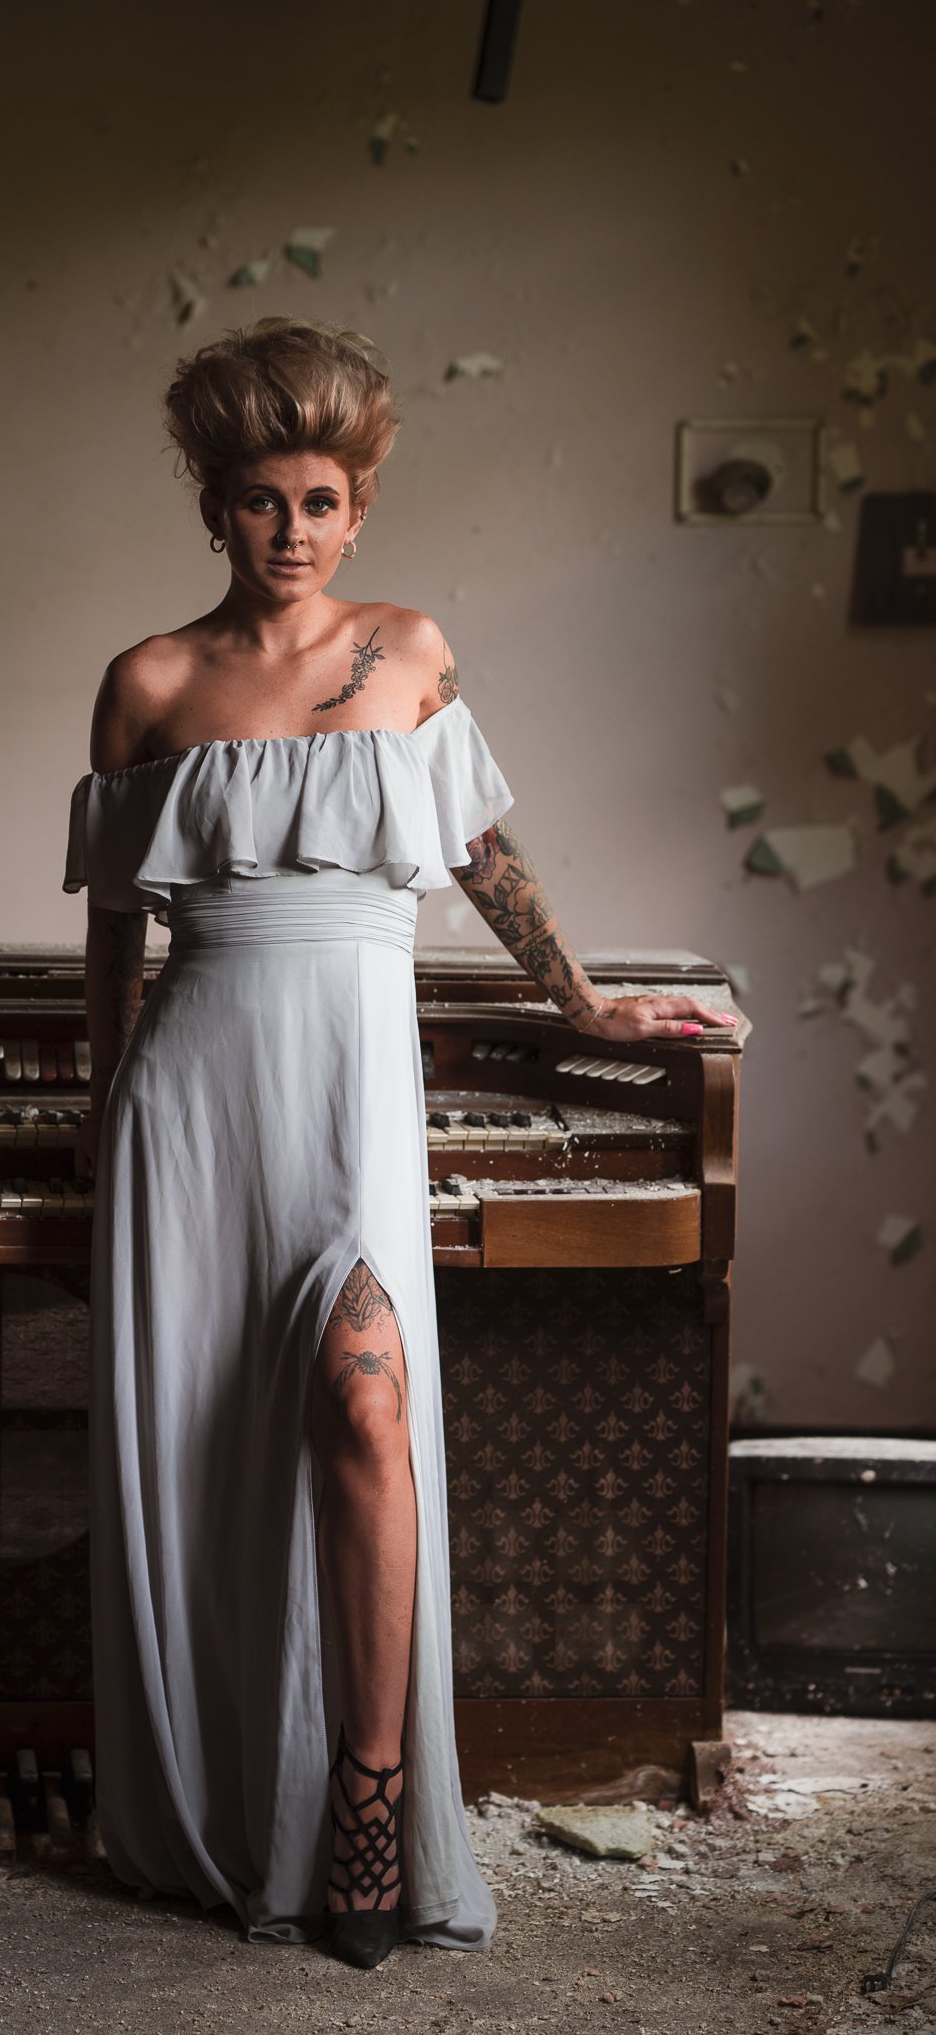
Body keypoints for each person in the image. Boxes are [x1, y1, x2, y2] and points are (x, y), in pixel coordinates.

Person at [63, 317, 735, 1970]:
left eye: (316, 498)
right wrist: (100, 1112)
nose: (287, 529)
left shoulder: (411, 651)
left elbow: (481, 849)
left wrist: (579, 1002)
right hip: (192, 1095)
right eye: (254, 500)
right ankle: (226, 1800)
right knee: (201, 1452)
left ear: (354, 508)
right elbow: (111, 941)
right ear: (211, 508)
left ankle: (368, 1801)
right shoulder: (146, 681)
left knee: (366, 1402)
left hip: (352, 1077)